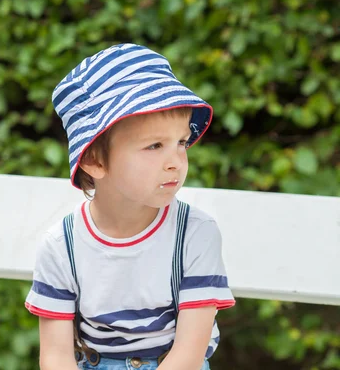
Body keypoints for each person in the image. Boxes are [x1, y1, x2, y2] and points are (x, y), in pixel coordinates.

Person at [25, 43, 236, 370]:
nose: (176, 163)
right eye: (154, 145)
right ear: (94, 160)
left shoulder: (195, 233)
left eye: (181, 143)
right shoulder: (61, 245)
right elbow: (55, 356)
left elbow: (189, 354)